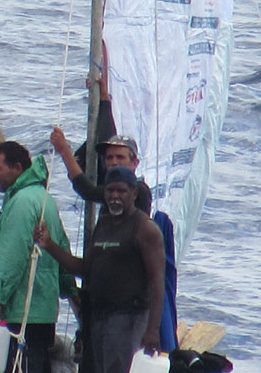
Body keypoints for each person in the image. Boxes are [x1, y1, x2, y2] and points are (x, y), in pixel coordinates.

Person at [36, 166, 165, 373]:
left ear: (133, 193)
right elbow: (85, 269)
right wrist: (50, 246)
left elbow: (157, 283)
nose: (114, 196)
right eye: (110, 190)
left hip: (129, 316)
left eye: (121, 191)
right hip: (101, 317)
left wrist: (152, 330)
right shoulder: (103, 225)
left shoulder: (145, 229)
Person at [51, 129, 179, 354]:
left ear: (135, 162)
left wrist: (64, 151)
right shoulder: (113, 192)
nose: (112, 162)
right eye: (109, 157)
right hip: (103, 302)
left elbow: (88, 190)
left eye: (120, 157)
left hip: (127, 305)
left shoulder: (137, 191)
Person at [0, 140, 73, 373]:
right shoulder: (44, 198)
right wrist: (70, 290)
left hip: (22, 310)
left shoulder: (21, 202)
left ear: (17, 168)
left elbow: (12, 255)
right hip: (43, 308)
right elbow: (63, 247)